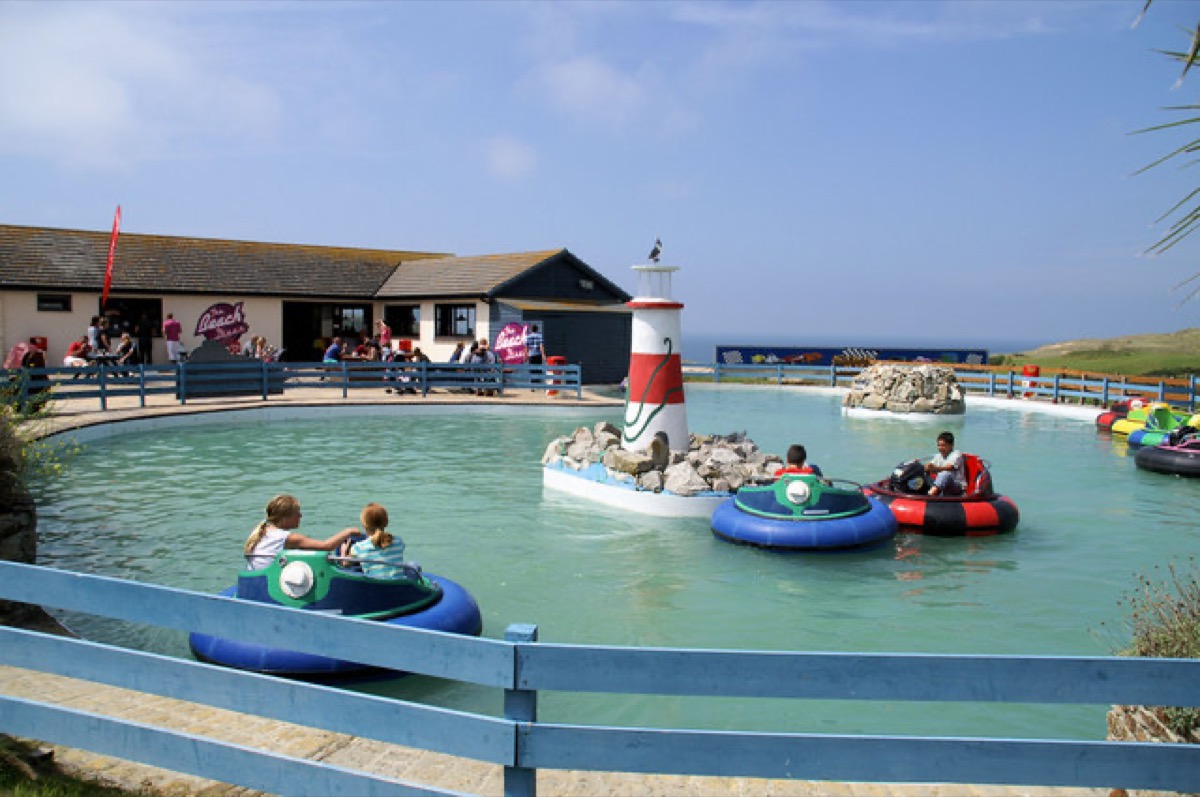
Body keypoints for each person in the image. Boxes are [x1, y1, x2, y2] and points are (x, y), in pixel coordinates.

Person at [243, 494, 358, 571]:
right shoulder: (287, 538)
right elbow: (327, 546)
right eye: (297, 513)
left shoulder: (261, 530)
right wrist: (348, 531)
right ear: (285, 518)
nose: (300, 516)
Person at [345, 502, 407, 579]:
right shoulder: (398, 541)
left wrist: (344, 550)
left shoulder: (359, 548)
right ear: (386, 522)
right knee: (413, 565)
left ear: (364, 524)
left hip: (374, 587)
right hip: (398, 587)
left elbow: (345, 564)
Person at [925, 431, 966, 497]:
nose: (940, 448)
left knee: (944, 474)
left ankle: (930, 496)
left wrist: (935, 469)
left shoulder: (956, 454)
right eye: (938, 445)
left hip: (956, 486)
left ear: (951, 445)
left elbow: (949, 467)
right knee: (921, 472)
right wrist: (927, 467)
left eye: (943, 445)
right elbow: (931, 465)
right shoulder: (938, 456)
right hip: (942, 484)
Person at [525, 323, 545, 389]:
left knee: (532, 370)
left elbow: (526, 347)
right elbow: (541, 346)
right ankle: (538, 385)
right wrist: (543, 354)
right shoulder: (540, 336)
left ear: (531, 329)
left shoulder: (528, 337)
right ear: (537, 329)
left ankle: (532, 386)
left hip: (531, 355)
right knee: (538, 370)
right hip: (538, 355)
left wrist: (526, 356)